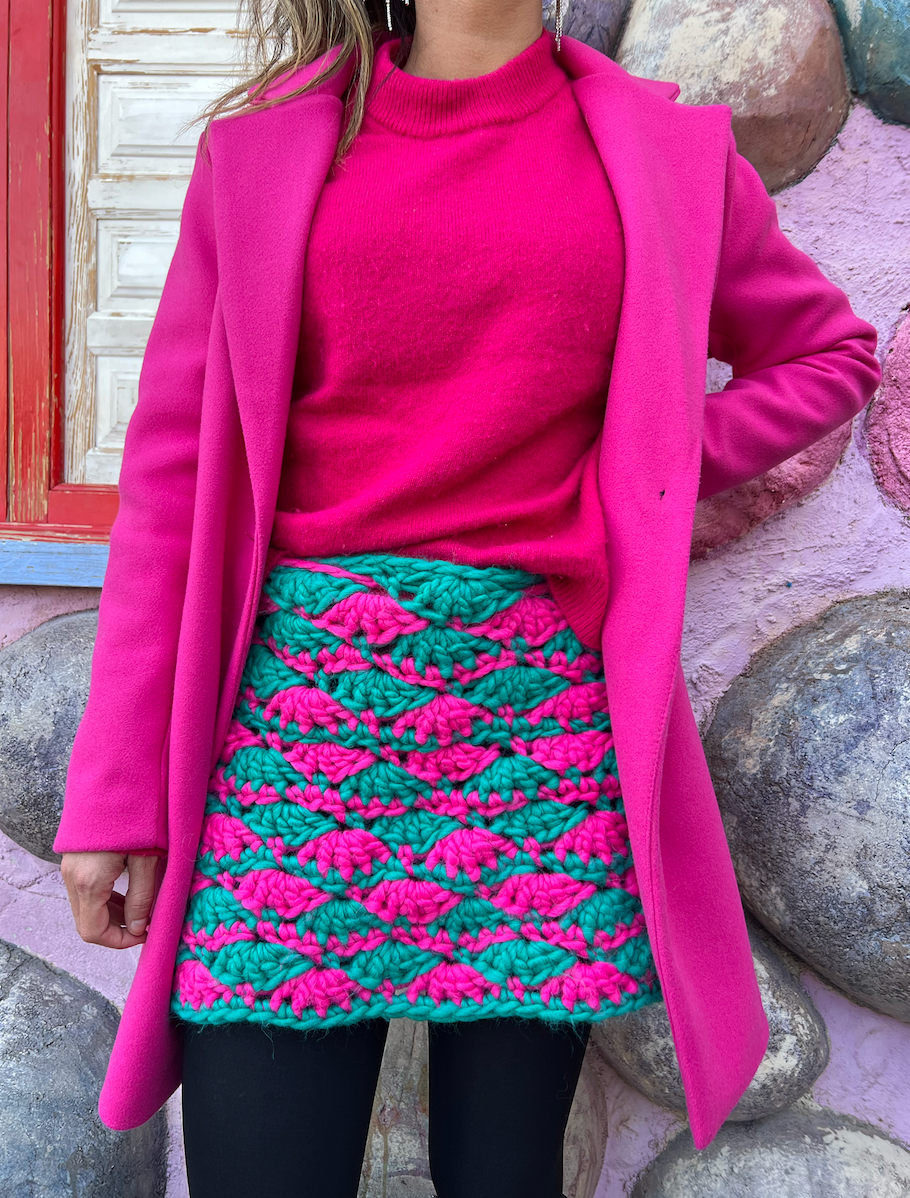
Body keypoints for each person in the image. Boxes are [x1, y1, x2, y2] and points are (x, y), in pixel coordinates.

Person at [55, 0, 882, 1194]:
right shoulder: (265, 151)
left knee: (504, 1176)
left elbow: (825, 355)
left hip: (532, 733)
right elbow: (172, 483)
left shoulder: (659, 152)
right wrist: (113, 792)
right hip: (292, 737)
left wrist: (639, 467)